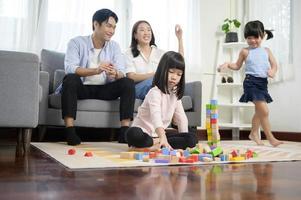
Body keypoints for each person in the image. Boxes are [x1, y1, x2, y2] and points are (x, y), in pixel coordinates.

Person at [60, 9, 135, 145]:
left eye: (114, 27)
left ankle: (124, 131)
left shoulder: (114, 47)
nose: (111, 31)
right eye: (108, 26)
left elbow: (122, 71)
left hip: (104, 89)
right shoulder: (76, 43)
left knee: (128, 82)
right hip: (83, 88)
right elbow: (70, 68)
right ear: (96, 24)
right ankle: (70, 131)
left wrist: (115, 73)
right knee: (70, 78)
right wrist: (96, 70)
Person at [218, 20, 283, 147]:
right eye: (249, 38)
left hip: (262, 84)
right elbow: (237, 66)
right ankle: (270, 138)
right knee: (264, 111)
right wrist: (227, 64)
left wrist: (273, 71)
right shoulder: (245, 51)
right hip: (250, 83)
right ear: (246, 38)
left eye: (256, 37)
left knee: (259, 111)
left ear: (263, 35)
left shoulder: (267, 51)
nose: (253, 41)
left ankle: (253, 133)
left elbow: (275, 65)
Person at [125, 51, 198, 150]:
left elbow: (181, 118)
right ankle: (154, 144)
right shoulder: (154, 92)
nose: (174, 77)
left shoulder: (175, 94)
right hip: (145, 134)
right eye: (171, 72)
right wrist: (162, 137)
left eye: (179, 74)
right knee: (132, 133)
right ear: (162, 70)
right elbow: (156, 117)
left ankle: (153, 146)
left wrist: (184, 137)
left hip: (159, 136)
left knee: (191, 138)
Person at [124, 20, 184, 100]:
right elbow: (131, 76)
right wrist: (155, 75)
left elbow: (179, 62)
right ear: (135, 35)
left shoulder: (159, 53)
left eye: (149, 30)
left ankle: (166, 100)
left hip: (157, 88)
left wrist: (180, 39)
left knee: (172, 79)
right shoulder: (128, 53)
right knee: (157, 80)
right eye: (142, 30)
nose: (146, 33)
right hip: (137, 89)